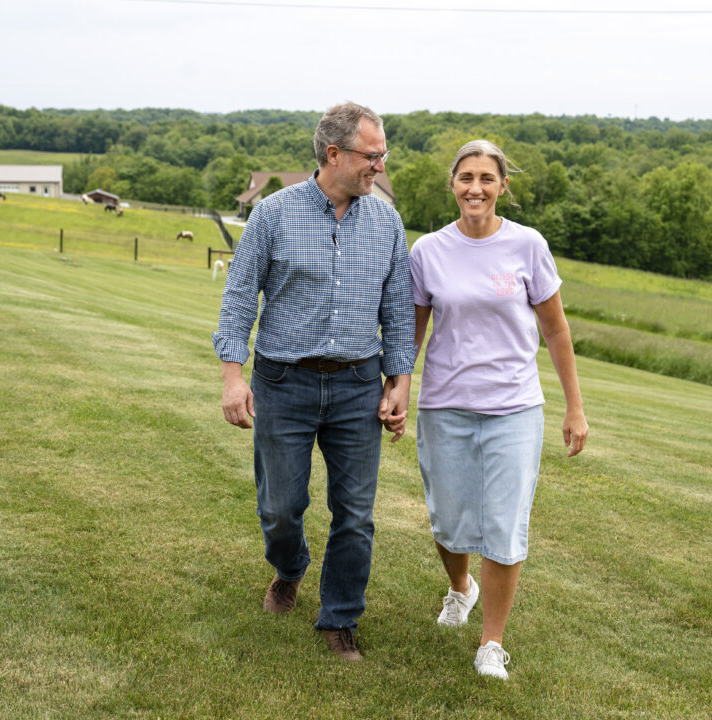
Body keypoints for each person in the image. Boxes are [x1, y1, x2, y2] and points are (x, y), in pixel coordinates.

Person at [213, 102, 416, 662]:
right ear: (334, 154)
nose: (380, 166)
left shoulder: (387, 223)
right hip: (284, 382)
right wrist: (233, 377)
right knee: (281, 507)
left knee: (356, 513)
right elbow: (238, 297)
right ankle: (289, 567)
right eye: (372, 155)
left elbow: (398, 310)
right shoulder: (274, 214)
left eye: (383, 155)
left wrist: (399, 382)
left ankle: (340, 618)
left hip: (357, 384)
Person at [409, 139, 588, 680]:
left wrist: (574, 408)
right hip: (445, 404)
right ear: (453, 184)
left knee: (505, 526)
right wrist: (395, 387)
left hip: (514, 407)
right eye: (466, 177)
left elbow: (556, 330)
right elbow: (412, 333)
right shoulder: (428, 251)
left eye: (487, 178)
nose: (476, 188)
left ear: (503, 186)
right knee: (448, 521)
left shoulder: (528, 245)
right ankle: (459, 588)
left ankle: (492, 643)